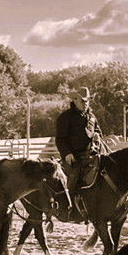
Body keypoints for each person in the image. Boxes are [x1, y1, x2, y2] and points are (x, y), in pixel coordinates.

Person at [55, 87, 102, 218]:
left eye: (87, 101)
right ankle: (66, 205)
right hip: (74, 157)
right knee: (74, 174)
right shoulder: (65, 118)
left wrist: (97, 137)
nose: (85, 103)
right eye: (82, 100)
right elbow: (60, 140)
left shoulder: (91, 117)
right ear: (75, 100)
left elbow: (98, 132)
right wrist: (67, 154)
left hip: (91, 155)